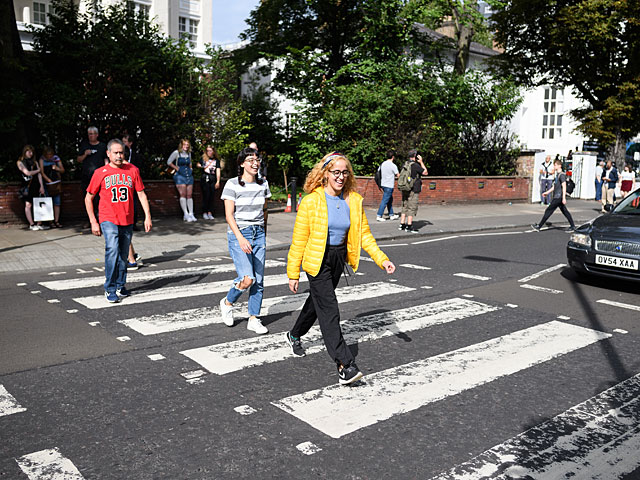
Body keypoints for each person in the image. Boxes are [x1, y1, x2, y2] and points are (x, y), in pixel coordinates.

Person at [286, 152, 396, 385]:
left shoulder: (353, 200)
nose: (341, 176)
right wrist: (293, 272)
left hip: (338, 258)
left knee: (318, 303)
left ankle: (294, 334)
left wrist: (381, 258)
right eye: (336, 172)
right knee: (330, 310)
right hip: (317, 259)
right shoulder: (311, 201)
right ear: (325, 173)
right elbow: (299, 240)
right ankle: (344, 364)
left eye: (345, 172)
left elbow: (364, 235)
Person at [85, 139, 152, 303]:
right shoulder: (101, 173)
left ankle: (121, 285)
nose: (119, 155)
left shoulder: (132, 170)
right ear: (108, 153)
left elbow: (141, 194)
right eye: (115, 152)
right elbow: (88, 198)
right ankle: (109, 287)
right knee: (113, 249)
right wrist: (93, 221)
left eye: (121, 152)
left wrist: (147, 216)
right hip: (108, 218)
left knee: (123, 255)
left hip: (127, 218)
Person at [219, 147, 271, 335]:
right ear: (242, 164)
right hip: (239, 234)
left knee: (259, 280)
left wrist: (263, 235)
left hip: (259, 234)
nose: (255, 163)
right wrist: (241, 238)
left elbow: (264, 212)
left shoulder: (263, 184)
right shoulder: (232, 184)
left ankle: (254, 318)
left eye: (257, 159)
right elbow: (229, 215)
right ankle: (227, 302)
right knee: (248, 279)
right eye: (250, 160)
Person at [531, 159, 576, 232]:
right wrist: (547, 192)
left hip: (558, 197)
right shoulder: (558, 175)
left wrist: (564, 198)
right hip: (558, 196)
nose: (554, 166)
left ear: (559, 166)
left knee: (548, 211)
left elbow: (564, 186)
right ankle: (573, 226)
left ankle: (539, 226)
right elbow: (555, 186)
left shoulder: (562, 175)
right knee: (565, 212)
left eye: (555, 165)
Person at [77, 126, 107, 224]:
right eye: (89, 134)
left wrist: (106, 173)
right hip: (87, 178)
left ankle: (100, 220)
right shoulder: (84, 145)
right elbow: (78, 160)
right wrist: (85, 154)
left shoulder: (102, 146)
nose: (91, 136)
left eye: (92, 134)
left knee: (99, 199)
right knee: (87, 199)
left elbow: (106, 160)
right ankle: (89, 220)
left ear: (97, 135)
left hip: (100, 178)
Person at [16, 145, 45, 230]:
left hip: (36, 185)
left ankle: (39, 223)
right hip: (27, 185)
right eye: (28, 151)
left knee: (38, 203)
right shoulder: (20, 162)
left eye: (32, 152)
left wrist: (41, 186)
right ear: (25, 152)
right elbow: (27, 173)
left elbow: (39, 175)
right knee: (28, 204)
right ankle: (31, 224)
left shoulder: (35, 162)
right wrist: (38, 170)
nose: (30, 153)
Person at [167, 139, 197, 222]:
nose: (186, 146)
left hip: (189, 175)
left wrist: (191, 169)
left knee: (189, 195)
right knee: (183, 194)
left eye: (187, 144)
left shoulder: (189, 153)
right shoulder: (177, 153)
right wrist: (177, 168)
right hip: (180, 176)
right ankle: (186, 213)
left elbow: (190, 162)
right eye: (185, 144)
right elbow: (169, 162)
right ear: (181, 145)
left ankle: (191, 213)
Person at [399, 149, 427, 233]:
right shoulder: (415, 165)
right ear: (415, 156)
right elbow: (425, 172)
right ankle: (409, 226)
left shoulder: (405, 164)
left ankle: (402, 224)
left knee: (405, 206)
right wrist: (421, 162)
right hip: (413, 189)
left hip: (404, 188)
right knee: (412, 207)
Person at [39, 146, 65, 228]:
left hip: (56, 183)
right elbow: (42, 172)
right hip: (47, 183)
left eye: (51, 155)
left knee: (57, 202)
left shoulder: (56, 158)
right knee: (48, 202)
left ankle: (56, 220)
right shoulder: (42, 159)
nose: (50, 156)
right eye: (48, 155)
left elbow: (62, 170)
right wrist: (48, 180)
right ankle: (50, 221)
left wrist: (57, 168)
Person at [122, 134, 142, 230]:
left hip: (132, 181)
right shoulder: (119, 154)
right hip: (122, 180)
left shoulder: (136, 155)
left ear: (130, 143)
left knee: (133, 202)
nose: (123, 144)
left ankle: (133, 223)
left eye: (125, 142)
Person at [197, 145, 221, 220]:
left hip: (213, 178)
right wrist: (201, 166)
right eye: (208, 151)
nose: (209, 152)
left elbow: (218, 170)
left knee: (212, 196)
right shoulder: (203, 159)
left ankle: (210, 212)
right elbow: (198, 164)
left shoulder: (216, 160)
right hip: (205, 178)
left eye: (211, 150)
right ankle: (204, 212)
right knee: (206, 195)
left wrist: (218, 181)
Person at [376, 150, 400, 222]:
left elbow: (378, 173)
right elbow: (398, 175)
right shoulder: (393, 165)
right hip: (389, 185)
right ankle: (379, 215)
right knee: (385, 200)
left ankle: (391, 214)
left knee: (389, 200)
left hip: (383, 184)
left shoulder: (383, 164)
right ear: (393, 157)